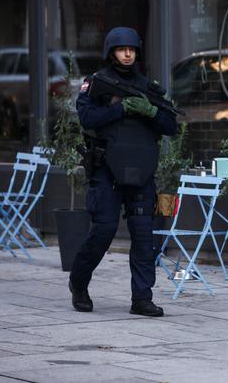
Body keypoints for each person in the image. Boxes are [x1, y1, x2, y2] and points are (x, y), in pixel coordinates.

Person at [68, 27, 177, 316]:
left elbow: (171, 126)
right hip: (107, 171)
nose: (127, 53)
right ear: (111, 52)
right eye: (121, 49)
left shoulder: (147, 87)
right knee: (103, 231)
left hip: (141, 172)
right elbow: (87, 117)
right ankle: (78, 283)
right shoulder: (97, 83)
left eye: (132, 49)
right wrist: (122, 108)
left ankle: (141, 299)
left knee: (144, 237)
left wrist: (151, 111)